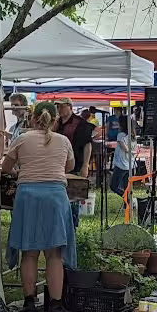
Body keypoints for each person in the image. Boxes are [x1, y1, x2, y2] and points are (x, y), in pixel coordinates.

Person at [2, 101, 76, 312]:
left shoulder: (22, 139)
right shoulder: (63, 141)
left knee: (29, 251)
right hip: (55, 196)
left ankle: (29, 303)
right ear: (55, 120)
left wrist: (21, 171)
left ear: (32, 118)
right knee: (54, 253)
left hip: (28, 196)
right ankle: (55, 304)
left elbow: (6, 167)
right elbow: (69, 167)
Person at [53, 97, 94, 228]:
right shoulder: (56, 123)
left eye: (62, 106)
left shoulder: (79, 123)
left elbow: (87, 144)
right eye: (58, 106)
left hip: (75, 164)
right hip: (57, 166)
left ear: (69, 107)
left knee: (73, 198)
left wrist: (85, 165)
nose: (59, 109)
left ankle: (73, 226)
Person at [110, 117, 136, 197]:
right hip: (130, 164)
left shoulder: (121, 135)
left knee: (113, 186)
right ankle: (127, 205)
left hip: (121, 164)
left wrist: (129, 151)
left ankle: (125, 197)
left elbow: (124, 148)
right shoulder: (133, 136)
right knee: (126, 187)